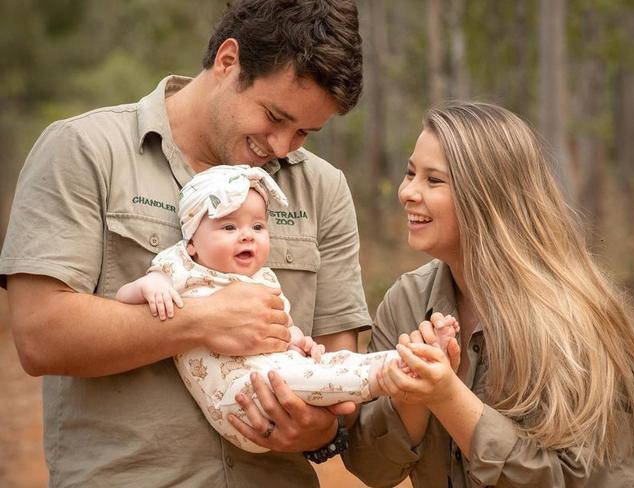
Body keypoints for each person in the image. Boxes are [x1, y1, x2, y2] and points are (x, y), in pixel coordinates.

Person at [1, 1, 370, 486]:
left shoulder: (323, 189)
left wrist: (320, 429)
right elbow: (40, 335)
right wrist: (200, 321)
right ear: (227, 61)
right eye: (275, 117)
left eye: (303, 131)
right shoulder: (85, 150)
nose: (281, 146)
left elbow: (338, 373)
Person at [342, 102, 634, 487]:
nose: (407, 192)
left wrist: (447, 397)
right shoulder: (407, 302)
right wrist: (412, 396)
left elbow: (572, 479)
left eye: (433, 180)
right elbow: (374, 468)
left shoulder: (573, 319)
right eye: (410, 173)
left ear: (487, 196)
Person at [116, 164, 406, 453]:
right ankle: (380, 378)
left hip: (274, 387)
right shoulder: (180, 266)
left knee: (325, 362)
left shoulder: (264, 279)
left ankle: (402, 359)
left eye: (258, 227)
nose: (247, 235)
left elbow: (282, 328)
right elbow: (123, 295)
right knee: (292, 380)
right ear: (191, 242)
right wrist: (150, 286)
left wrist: (298, 343)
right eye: (229, 227)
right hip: (237, 399)